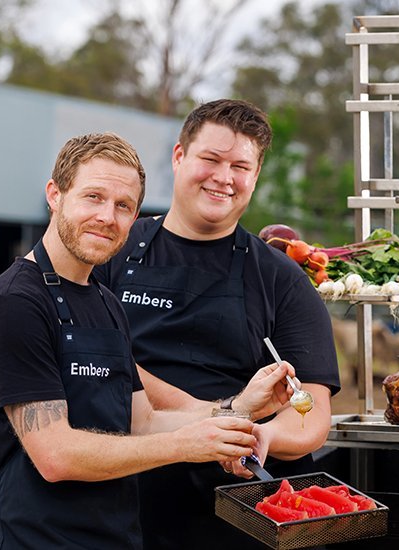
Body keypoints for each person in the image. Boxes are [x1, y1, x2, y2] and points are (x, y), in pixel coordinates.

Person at [0, 132, 296, 548]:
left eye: (124, 205)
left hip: (118, 537)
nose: (108, 216)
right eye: (93, 197)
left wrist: (238, 408)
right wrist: (180, 447)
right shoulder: (16, 303)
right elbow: (55, 454)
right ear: (55, 195)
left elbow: (141, 420)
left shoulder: (105, 301)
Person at [95, 99, 341, 548]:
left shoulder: (282, 280)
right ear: (179, 157)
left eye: (240, 166)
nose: (223, 177)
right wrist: (222, 415)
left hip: (234, 518)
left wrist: (261, 433)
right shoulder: (112, 255)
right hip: (123, 500)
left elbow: (311, 412)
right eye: (210, 159)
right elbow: (97, 366)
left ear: (256, 175)